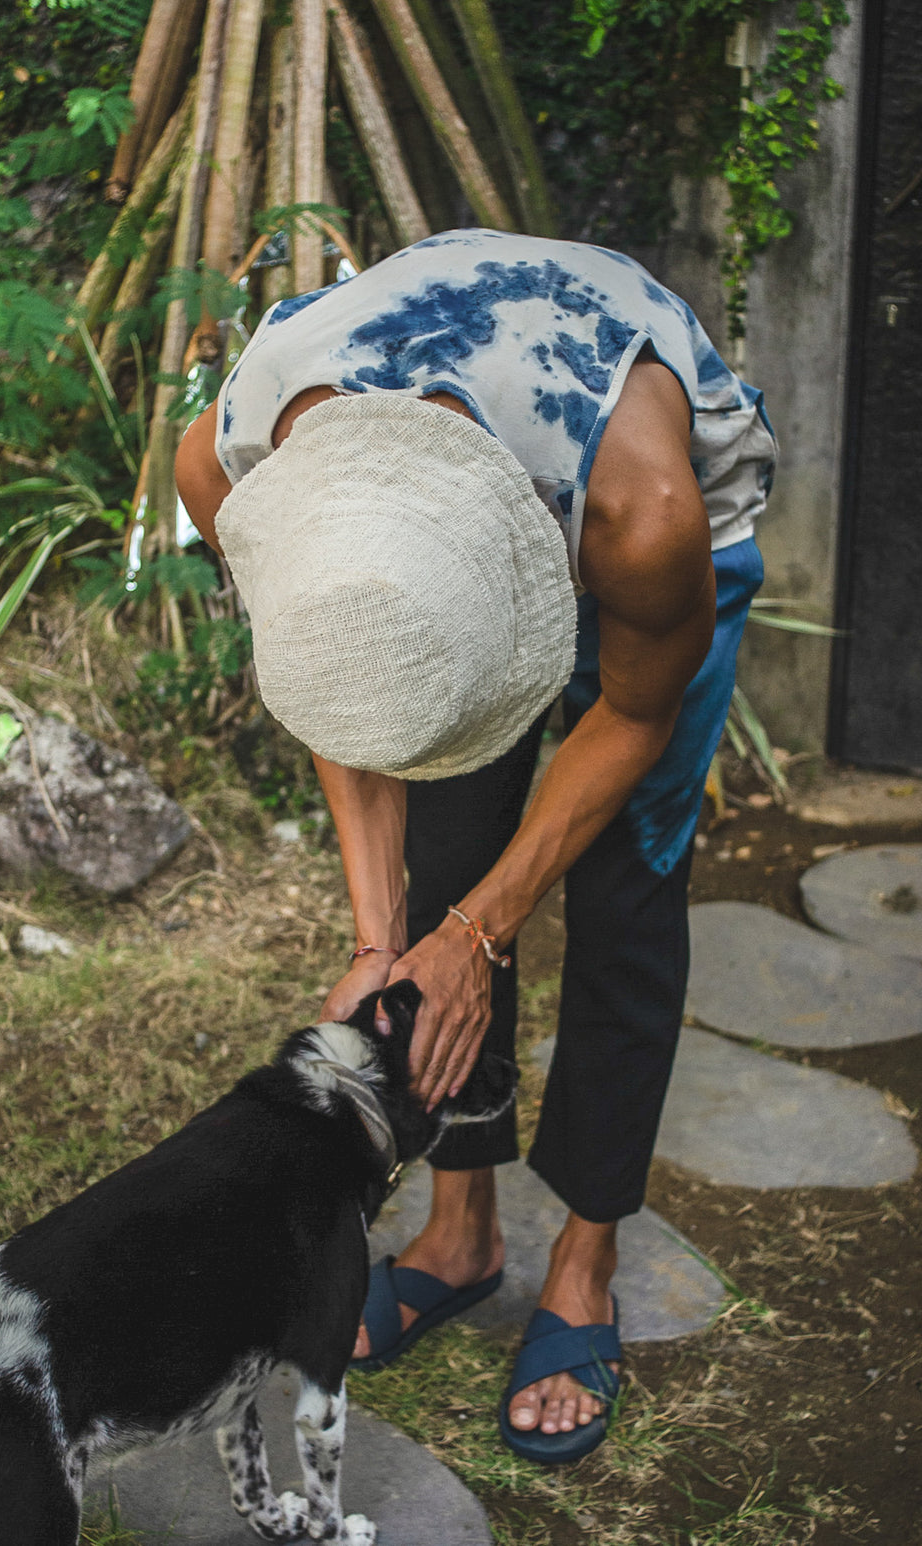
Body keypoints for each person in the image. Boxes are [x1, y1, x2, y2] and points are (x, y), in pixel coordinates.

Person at [175, 229, 776, 1465]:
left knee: (624, 889)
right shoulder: (230, 458)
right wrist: (384, 933)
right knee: (449, 860)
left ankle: (585, 1258)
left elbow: (634, 712)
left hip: (624, 516)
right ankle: (462, 1234)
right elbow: (336, 682)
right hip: (452, 508)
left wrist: (481, 932)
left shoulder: (647, 511)